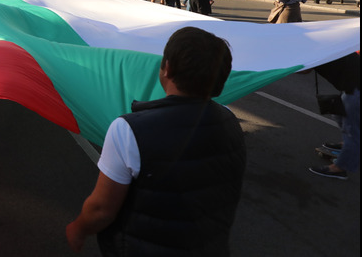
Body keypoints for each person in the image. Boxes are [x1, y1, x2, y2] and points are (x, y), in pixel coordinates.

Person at [66, 26, 245, 255]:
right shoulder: (229, 121)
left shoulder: (128, 130)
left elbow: (101, 209)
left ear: (167, 68)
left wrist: (78, 228)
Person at [304, 52, 360, 180]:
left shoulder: (315, 47)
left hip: (356, 89)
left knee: (352, 130)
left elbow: (304, 71)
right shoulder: (325, 40)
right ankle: (347, 145)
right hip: (351, 87)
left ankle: (340, 169)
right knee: (339, 116)